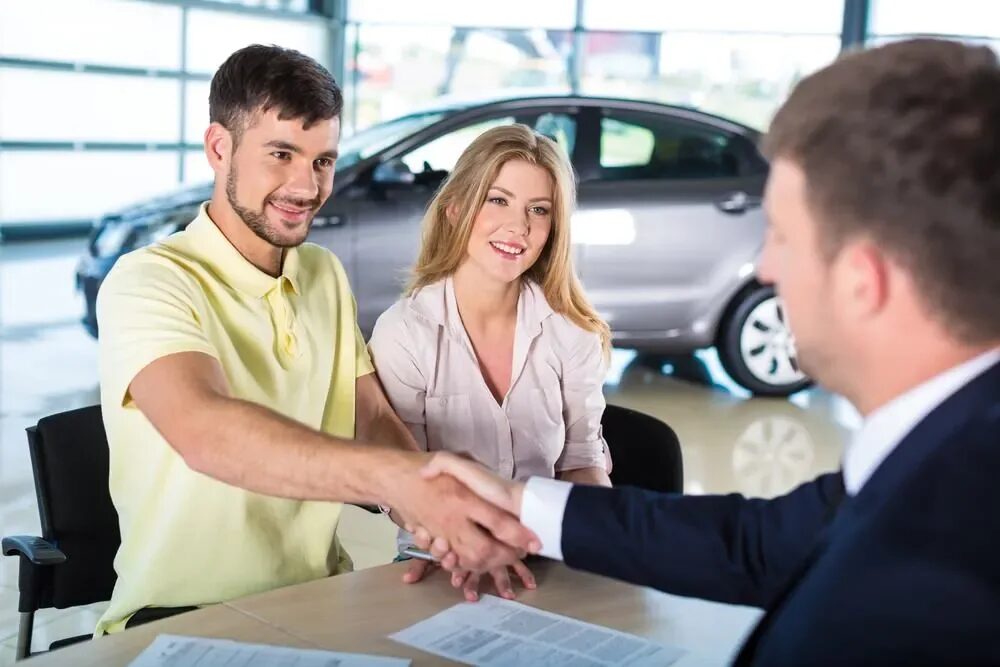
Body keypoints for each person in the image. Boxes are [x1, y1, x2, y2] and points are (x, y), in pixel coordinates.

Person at [418, 38, 1000, 664]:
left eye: (782, 238)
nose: (768, 269)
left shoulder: (943, 572)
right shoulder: (949, 451)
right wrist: (517, 504)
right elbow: (759, 544)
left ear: (864, 281)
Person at [94, 45, 535, 635]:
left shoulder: (322, 273)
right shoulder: (149, 280)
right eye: (281, 154)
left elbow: (369, 415)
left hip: (320, 600)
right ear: (219, 147)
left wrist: (440, 515)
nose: (306, 185)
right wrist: (392, 479)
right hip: (180, 616)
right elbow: (206, 431)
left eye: (323, 161)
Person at [368, 125, 612, 601]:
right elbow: (401, 484)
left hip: (549, 560)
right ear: (456, 208)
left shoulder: (572, 332)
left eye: (537, 210)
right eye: (497, 200)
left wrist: (604, 543)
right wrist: (468, 546)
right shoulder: (405, 332)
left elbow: (582, 465)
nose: (518, 227)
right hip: (438, 560)